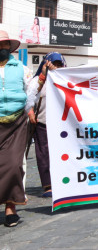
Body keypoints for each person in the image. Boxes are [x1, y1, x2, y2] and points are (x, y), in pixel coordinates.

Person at [0, 29, 34, 228]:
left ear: (9, 47)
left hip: (16, 122)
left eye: (4, 45)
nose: (1, 48)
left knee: (13, 165)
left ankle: (10, 207)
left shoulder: (22, 68)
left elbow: (30, 92)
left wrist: (29, 112)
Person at [26, 52, 66, 199]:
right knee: (43, 154)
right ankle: (47, 184)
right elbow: (29, 96)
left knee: (62, 153)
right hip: (42, 122)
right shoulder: (37, 79)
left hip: (62, 124)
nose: (55, 67)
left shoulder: (66, 79)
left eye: (58, 64)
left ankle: (63, 182)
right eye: (52, 63)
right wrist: (30, 112)